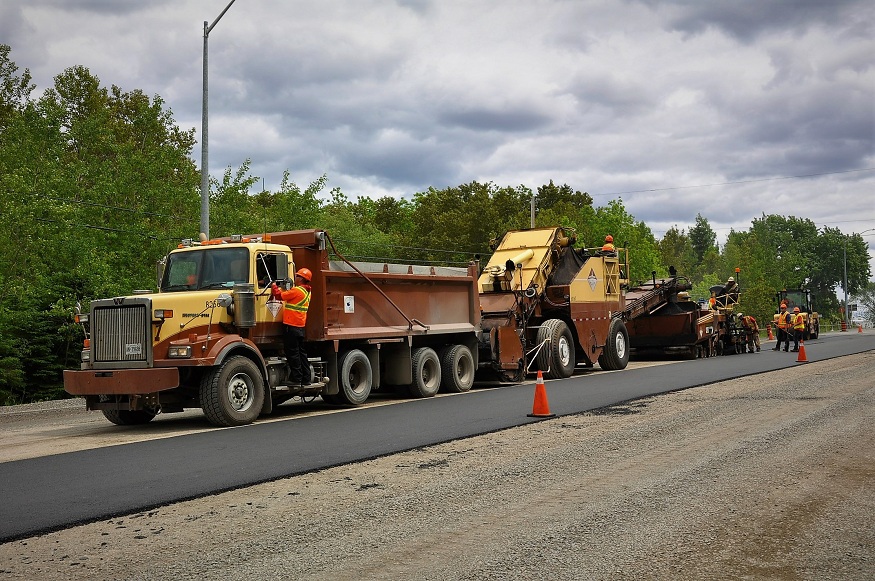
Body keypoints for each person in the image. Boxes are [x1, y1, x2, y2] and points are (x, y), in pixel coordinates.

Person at [272, 267, 313, 387]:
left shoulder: (297, 291)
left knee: (293, 354)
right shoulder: (307, 292)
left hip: (291, 326)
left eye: (297, 276)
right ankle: (306, 378)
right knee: (301, 354)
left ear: (302, 279)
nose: (295, 277)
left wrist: (274, 284)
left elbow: (278, 295)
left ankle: (296, 378)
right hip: (300, 326)